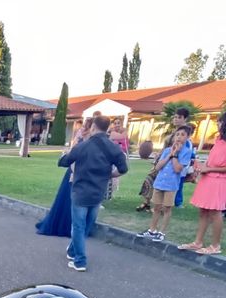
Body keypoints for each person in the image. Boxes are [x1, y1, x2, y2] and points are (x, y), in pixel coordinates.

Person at [58, 115, 128, 271]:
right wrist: (109, 175)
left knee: (78, 226)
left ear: (94, 127)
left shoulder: (83, 146)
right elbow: (123, 169)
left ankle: (80, 261)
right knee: (86, 224)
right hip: (98, 192)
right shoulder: (113, 147)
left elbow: (64, 162)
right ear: (107, 128)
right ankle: (72, 250)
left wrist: (64, 153)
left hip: (80, 191)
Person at [36, 118, 93, 237]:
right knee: (70, 200)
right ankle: (69, 227)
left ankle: (74, 226)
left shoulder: (89, 140)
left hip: (80, 172)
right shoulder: (84, 140)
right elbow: (73, 155)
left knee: (74, 200)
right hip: (75, 171)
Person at [178, 113, 226, 255]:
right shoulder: (219, 141)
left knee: (215, 213)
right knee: (203, 211)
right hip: (208, 179)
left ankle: (215, 245)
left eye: (220, 122)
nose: (218, 124)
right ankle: (198, 241)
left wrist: (209, 168)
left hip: (219, 181)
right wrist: (202, 168)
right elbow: (211, 161)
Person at [137, 125, 193, 242]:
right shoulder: (167, 150)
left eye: (183, 135)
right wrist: (169, 154)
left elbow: (178, 169)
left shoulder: (186, 152)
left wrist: (175, 155)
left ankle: (162, 232)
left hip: (171, 185)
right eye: (177, 134)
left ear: (188, 137)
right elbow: (158, 166)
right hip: (160, 183)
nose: (179, 137)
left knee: (167, 208)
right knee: (156, 207)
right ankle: (152, 230)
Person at [136, 107, 194, 212]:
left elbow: (184, 150)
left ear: (185, 119)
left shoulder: (185, 133)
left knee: (166, 184)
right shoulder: (174, 132)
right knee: (151, 179)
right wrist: (159, 155)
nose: (176, 119)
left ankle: (160, 206)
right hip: (163, 159)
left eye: (179, 117)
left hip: (173, 162)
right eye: (175, 117)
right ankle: (148, 202)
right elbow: (166, 148)